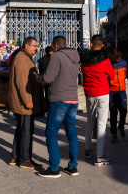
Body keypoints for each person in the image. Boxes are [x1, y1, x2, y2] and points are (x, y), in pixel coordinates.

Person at [36, 36, 81, 178]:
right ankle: (73, 167)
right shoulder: (75, 56)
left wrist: (37, 77)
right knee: (72, 133)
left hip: (59, 99)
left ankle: (54, 168)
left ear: (55, 46)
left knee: (51, 133)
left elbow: (48, 78)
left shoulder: (56, 56)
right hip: (73, 99)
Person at [7, 37, 43, 170]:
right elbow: (22, 82)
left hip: (21, 100)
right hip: (24, 102)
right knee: (26, 130)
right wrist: (27, 100)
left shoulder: (24, 57)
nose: (36, 48)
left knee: (21, 129)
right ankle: (25, 159)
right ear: (26, 46)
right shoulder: (22, 58)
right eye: (34, 45)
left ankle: (15, 156)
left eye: (37, 46)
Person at [81, 34, 114, 166]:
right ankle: (100, 156)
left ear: (91, 44)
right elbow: (111, 75)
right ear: (103, 46)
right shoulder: (104, 60)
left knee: (89, 121)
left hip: (89, 93)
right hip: (102, 93)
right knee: (101, 124)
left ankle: (87, 150)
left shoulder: (85, 59)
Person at [108, 47, 128, 144]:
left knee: (124, 110)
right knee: (113, 113)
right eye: (116, 56)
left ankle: (121, 126)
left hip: (122, 92)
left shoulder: (124, 63)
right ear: (111, 55)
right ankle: (114, 134)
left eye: (119, 56)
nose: (118, 58)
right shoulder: (107, 64)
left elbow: (126, 74)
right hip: (111, 92)